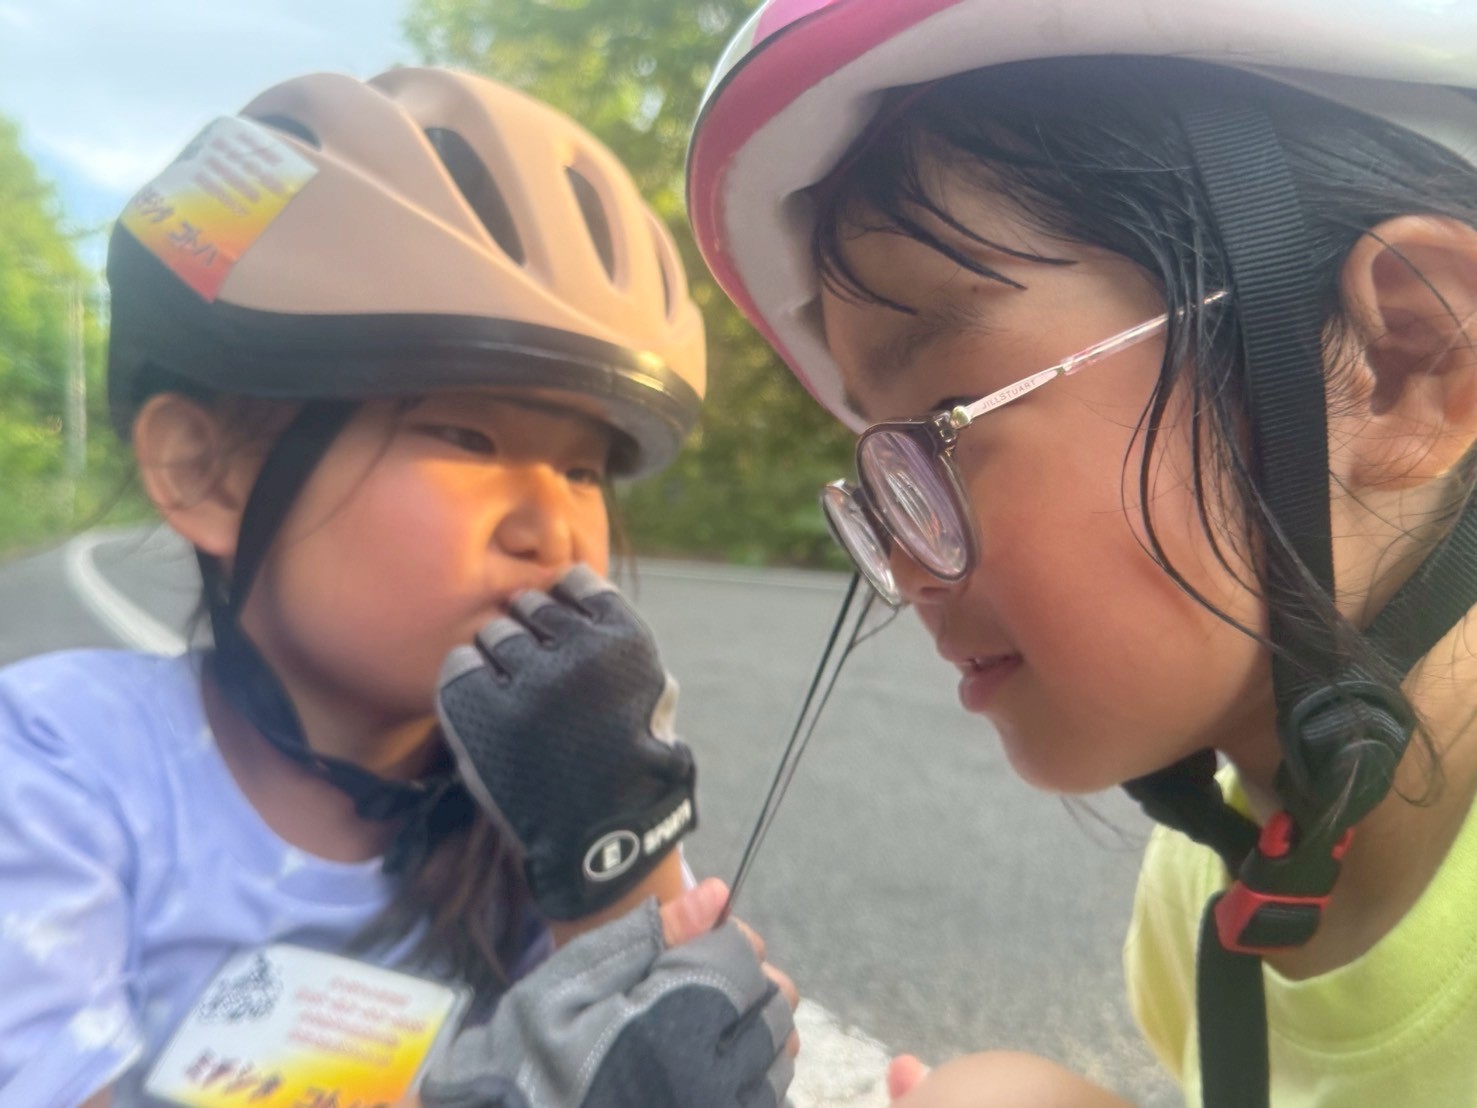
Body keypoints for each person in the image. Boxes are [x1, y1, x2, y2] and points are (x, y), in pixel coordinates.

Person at [687, 2, 1477, 1105]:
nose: (906, 564)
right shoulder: (1198, 894)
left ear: (1400, 363)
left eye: (947, 420)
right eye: (881, 468)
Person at [0, 66, 795, 1107]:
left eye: (584, 468)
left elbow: (647, 1031)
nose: (551, 527)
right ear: (207, 474)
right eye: (466, 435)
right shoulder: (55, 769)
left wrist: (615, 840)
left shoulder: (541, 817)